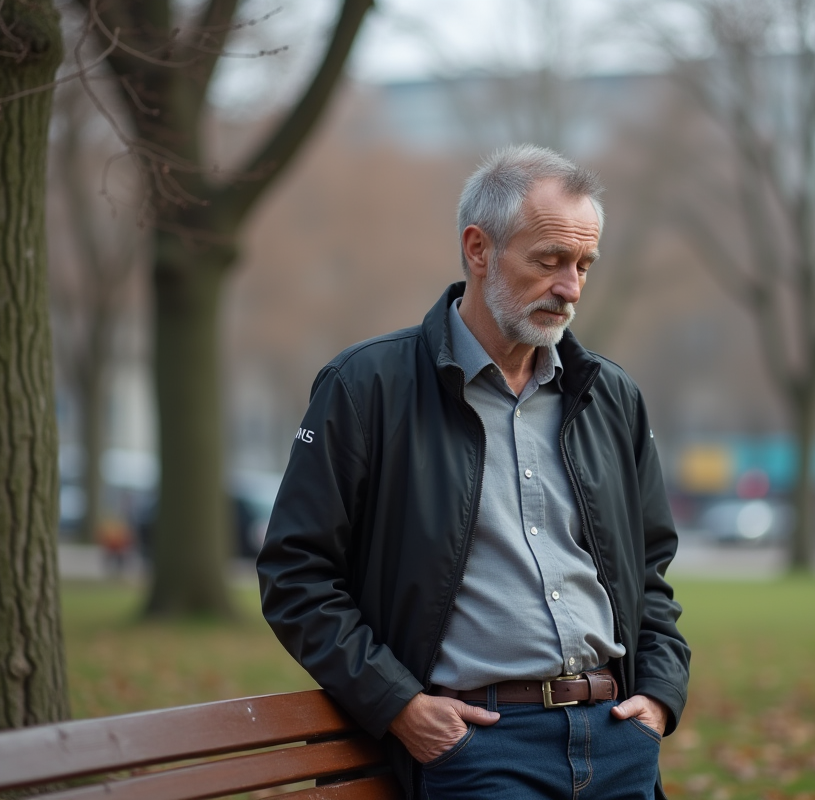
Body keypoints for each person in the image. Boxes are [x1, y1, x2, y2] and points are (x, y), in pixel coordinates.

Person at [257, 144, 690, 799]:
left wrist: (659, 695)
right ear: (478, 248)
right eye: (549, 261)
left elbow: (649, 573)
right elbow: (296, 576)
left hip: (619, 737)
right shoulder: (367, 387)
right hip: (477, 747)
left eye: (583, 264)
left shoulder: (611, 397)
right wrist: (398, 704)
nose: (570, 287)